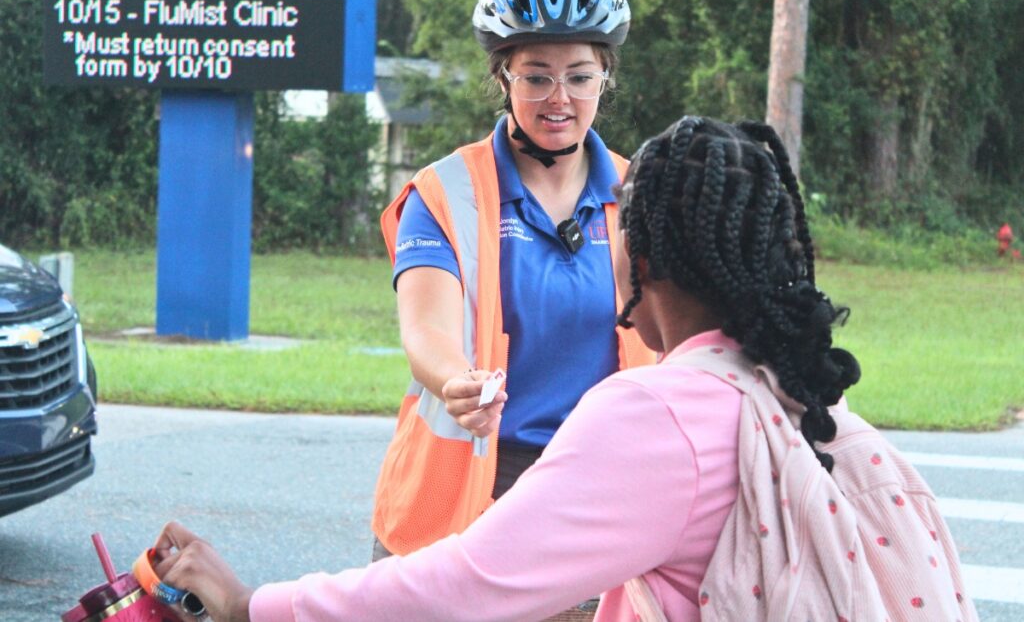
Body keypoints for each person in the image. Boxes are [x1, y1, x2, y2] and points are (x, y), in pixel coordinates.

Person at [150, 116, 977, 621]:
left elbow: (465, 585)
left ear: (639, 255)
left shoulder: (659, 415)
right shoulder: (803, 397)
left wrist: (252, 601)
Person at [368, 0, 653, 572]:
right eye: (536, 76)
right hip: (458, 504)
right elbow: (426, 328)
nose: (560, 98)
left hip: (599, 499)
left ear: (605, 79)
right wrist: (457, 382)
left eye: (580, 76)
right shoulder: (447, 193)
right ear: (504, 78)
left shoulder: (644, 194)